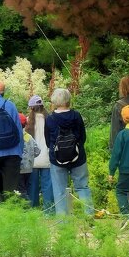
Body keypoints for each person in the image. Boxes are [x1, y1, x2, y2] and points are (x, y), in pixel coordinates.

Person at [45, 87, 92, 216]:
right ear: (68, 100)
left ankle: (63, 221)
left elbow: (48, 140)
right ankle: (88, 215)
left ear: (54, 101)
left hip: (57, 159)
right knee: (82, 187)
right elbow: (83, 137)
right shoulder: (76, 116)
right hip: (78, 157)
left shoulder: (50, 119)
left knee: (59, 190)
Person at [25, 95, 54, 211]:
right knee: (47, 185)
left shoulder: (28, 122)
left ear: (31, 108)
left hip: (33, 159)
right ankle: (49, 210)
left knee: (33, 186)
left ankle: (33, 209)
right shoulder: (50, 119)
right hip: (47, 157)